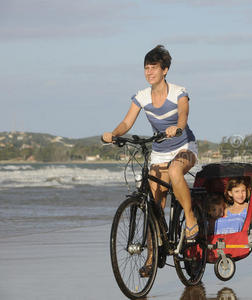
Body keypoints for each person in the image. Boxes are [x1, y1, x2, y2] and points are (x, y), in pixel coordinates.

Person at [102, 45, 198, 276]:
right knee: (153, 205)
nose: (149, 72)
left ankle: (191, 220)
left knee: (175, 172)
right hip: (159, 150)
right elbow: (127, 122)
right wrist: (114, 134)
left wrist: (178, 127)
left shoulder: (178, 92)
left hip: (184, 146)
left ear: (165, 70)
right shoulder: (142, 96)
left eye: (154, 67)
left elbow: (183, 115)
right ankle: (152, 257)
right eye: (146, 68)